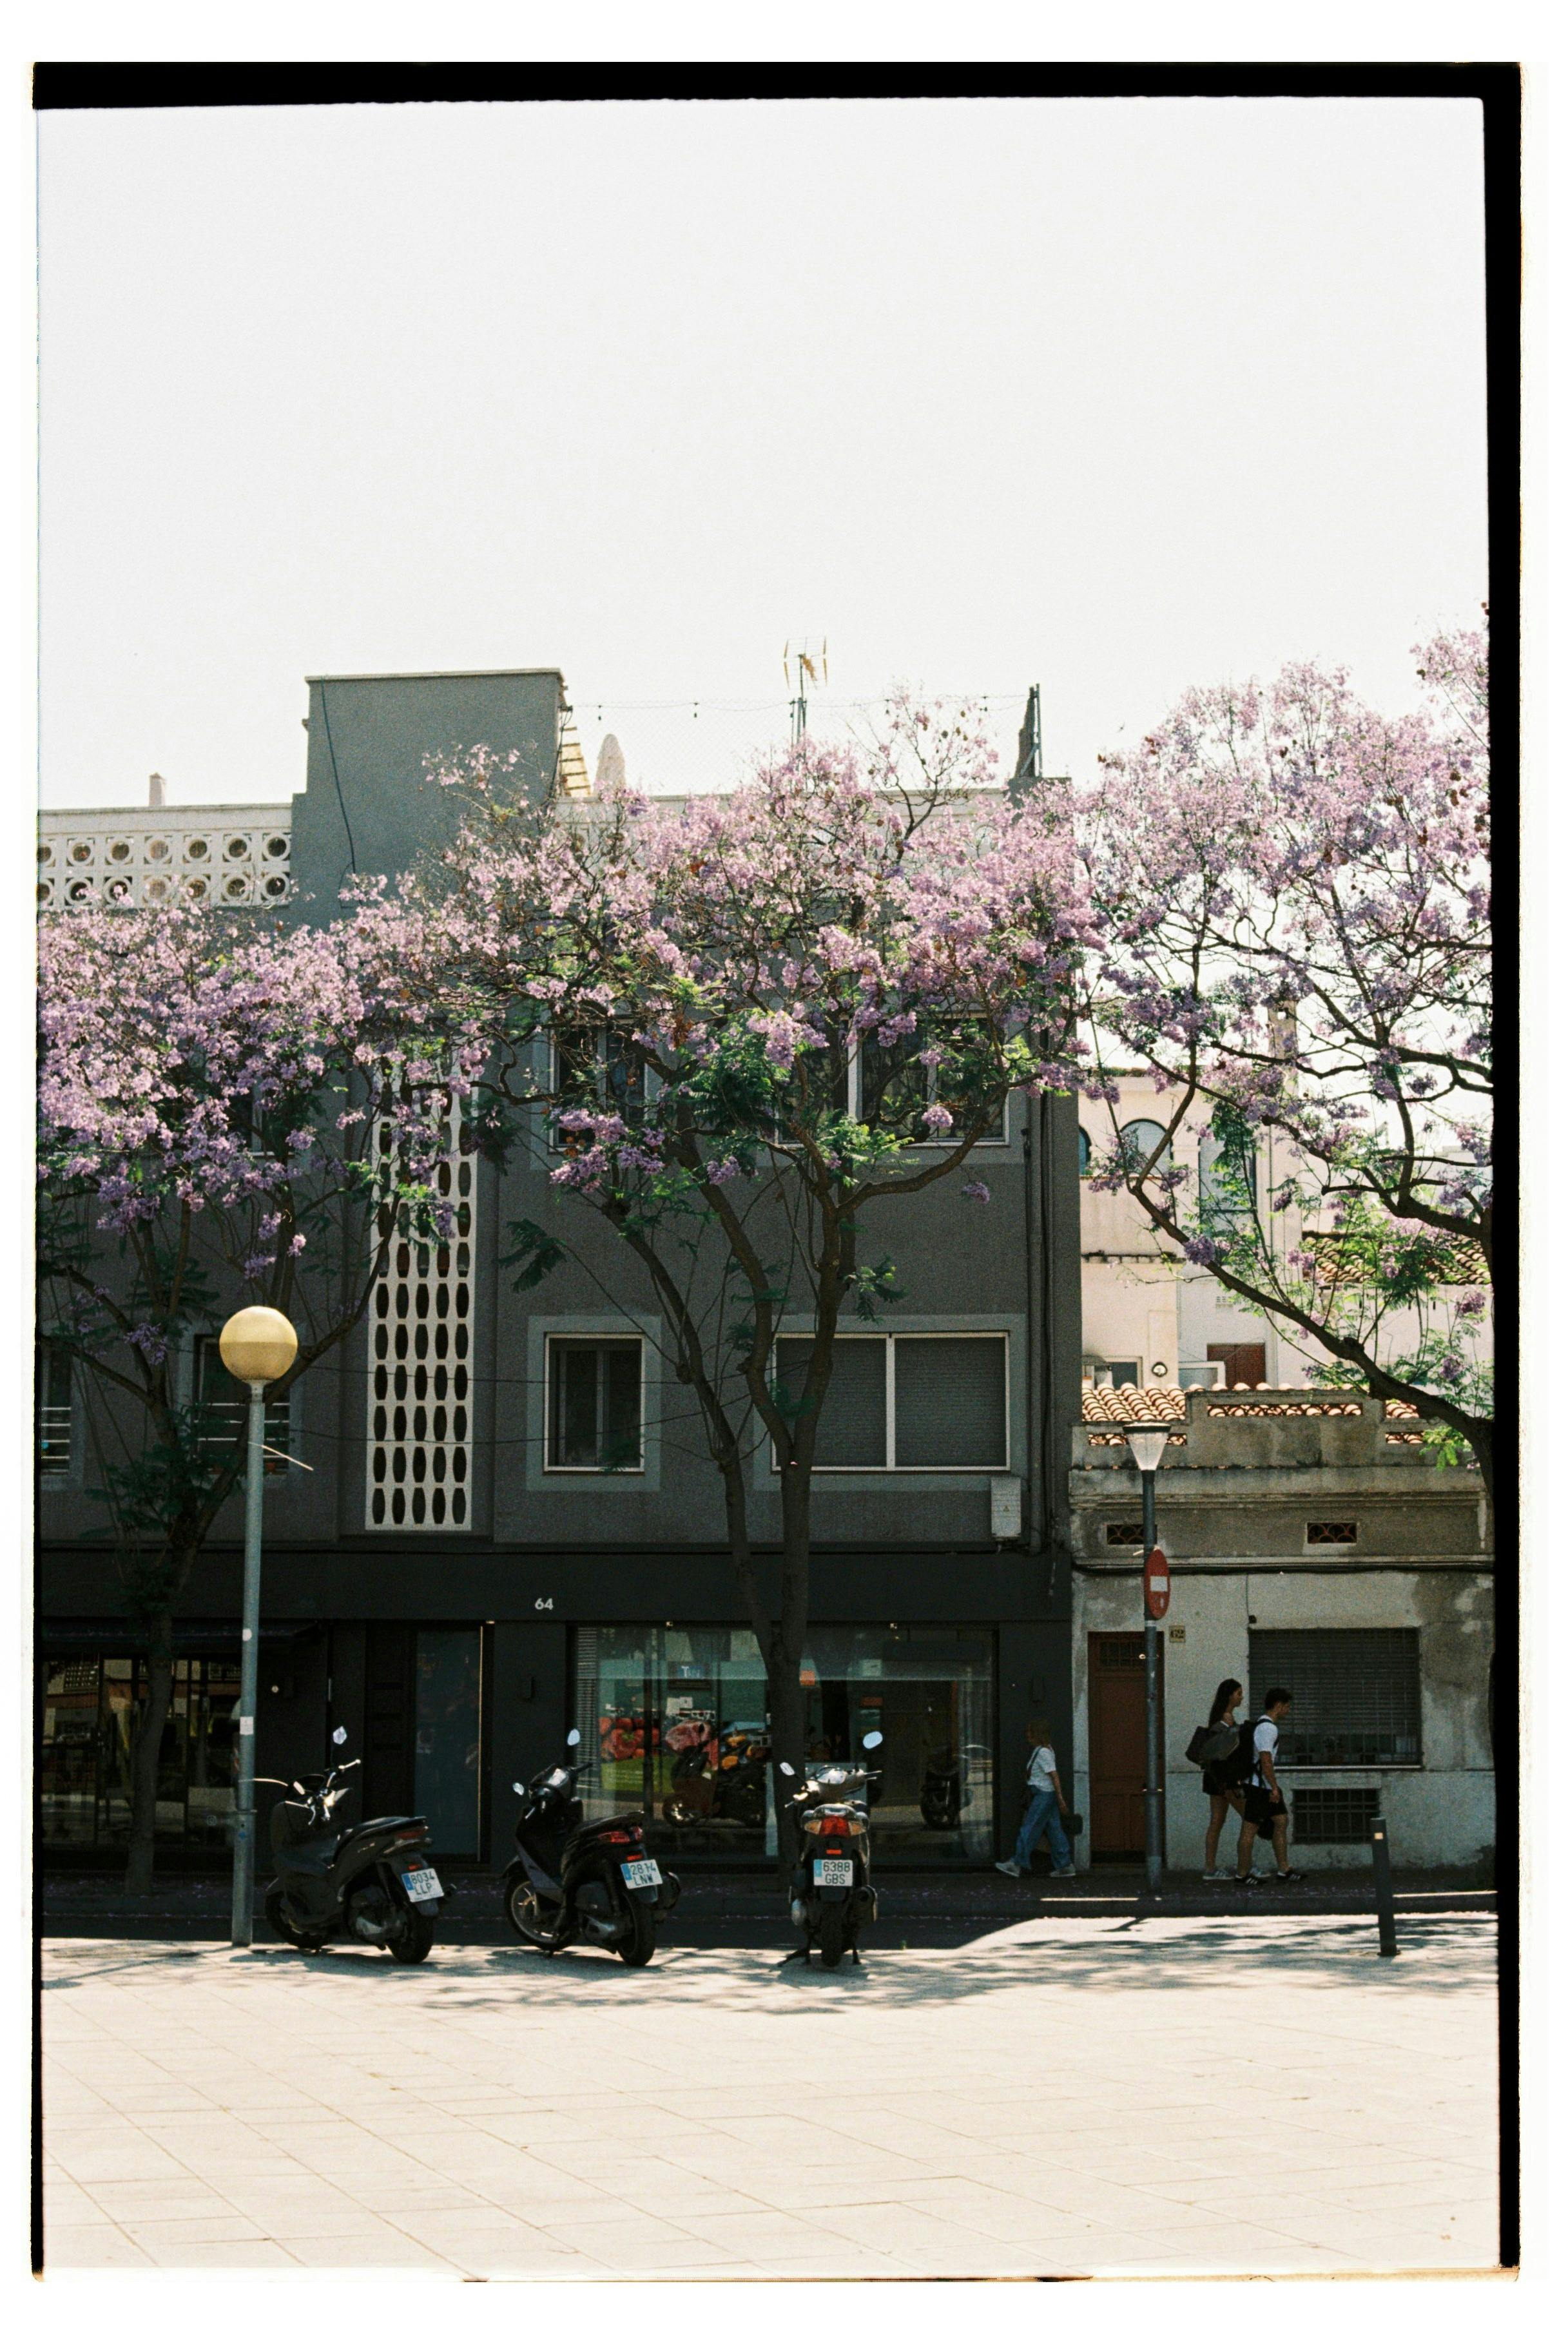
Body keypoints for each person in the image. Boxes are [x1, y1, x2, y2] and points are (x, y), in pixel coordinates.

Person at [1235, 1686, 1306, 1884]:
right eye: (1287, 1706)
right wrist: (1274, 1787)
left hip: (1263, 1785)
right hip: (1260, 1787)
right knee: (1249, 1830)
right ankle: (1242, 1875)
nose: (1289, 1710)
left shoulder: (1263, 1725)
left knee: (1281, 1820)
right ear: (1278, 1705)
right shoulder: (1268, 1728)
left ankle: (1284, 1869)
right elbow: (1266, 1760)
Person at [996, 1721, 1076, 1879]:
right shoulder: (1043, 1750)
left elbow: (1054, 1776)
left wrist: (1061, 1800)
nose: (1028, 1736)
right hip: (1046, 1794)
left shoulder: (1044, 1753)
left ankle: (1016, 1864)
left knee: (1030, 1827)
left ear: (1037, 1735)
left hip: (1043, 1795)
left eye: (1031, 1733)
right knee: (1054, 1829)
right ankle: (1065, 1865)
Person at [1201, 1677, 1246, 1881]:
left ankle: (1210, 1869)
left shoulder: (1217, 1717)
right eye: (1238, 1693)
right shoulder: (1226, 1720)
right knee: (1250, 1819)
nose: (1241, 1697)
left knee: (1216, 1822)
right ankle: (1246, 1867)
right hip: (1226, 1779)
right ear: (1230, 1695)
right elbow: (1230, 1752)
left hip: (1214, 1778)